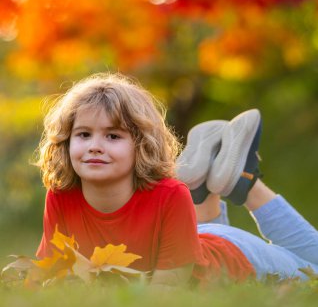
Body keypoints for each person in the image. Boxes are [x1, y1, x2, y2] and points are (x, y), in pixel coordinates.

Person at [35, 72, 318, 290]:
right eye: (84, 134)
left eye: (113, 136)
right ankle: (206, 185)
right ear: (65, 142)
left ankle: (244, 180)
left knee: (314, 269)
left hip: (238, 257)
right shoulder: (61, 196)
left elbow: (168, 291)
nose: (95, 146)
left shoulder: (169, 195)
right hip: (193, 239)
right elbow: (49, 274)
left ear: (142, 146)